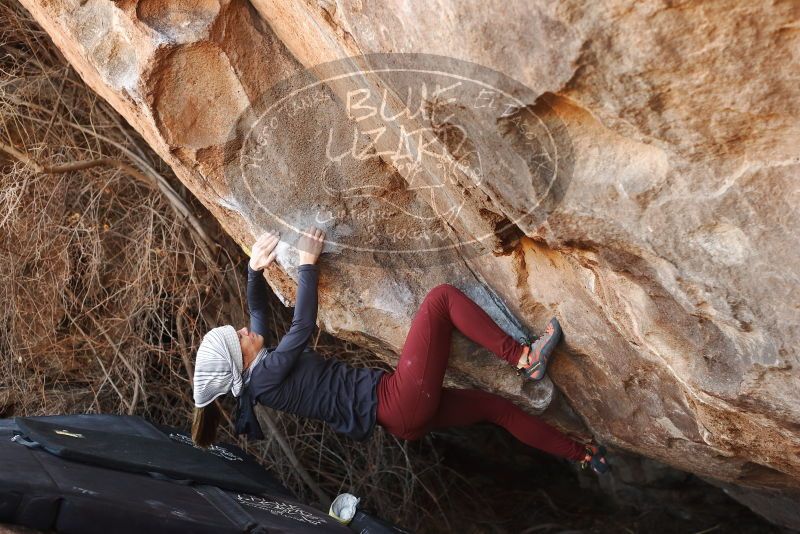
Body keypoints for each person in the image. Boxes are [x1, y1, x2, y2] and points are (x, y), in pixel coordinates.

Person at [191, 226, 609, 475]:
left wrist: (253, 269)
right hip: (398, 400)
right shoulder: (262, 379)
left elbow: (259, 316)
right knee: (441, 299)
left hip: (401, 419)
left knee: (495, 409)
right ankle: (524, 358)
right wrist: (306, 264)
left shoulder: (257, 375)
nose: (245, 329)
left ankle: (585, 455)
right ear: (239, 362)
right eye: (238, 337)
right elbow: (301, 328)